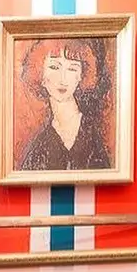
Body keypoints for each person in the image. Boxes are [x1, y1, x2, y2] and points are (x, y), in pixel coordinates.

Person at [18, 39, 111, 172]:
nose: (63, 79)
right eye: (54, 67)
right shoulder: (39, 148)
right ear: (40, 73)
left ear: (81, 75)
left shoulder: (93, 133)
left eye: (72, 68)